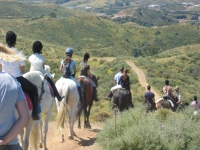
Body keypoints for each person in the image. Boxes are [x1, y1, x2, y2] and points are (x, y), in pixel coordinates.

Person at [0, 31, 40, 120]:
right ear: (15, 41)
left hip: (3, 79)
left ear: (6, 41)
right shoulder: (18, 53)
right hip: (17, 79)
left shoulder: (1, 53)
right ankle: (35, 114)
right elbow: (22, 70)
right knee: (34, 89)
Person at [0, 46, 29, 150]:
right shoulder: (11, 81)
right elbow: (25, 117)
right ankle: (36, 111)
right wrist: (4, 141)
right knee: (34, 90)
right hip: (10, 145)